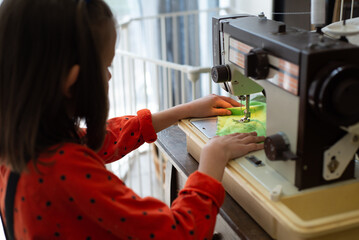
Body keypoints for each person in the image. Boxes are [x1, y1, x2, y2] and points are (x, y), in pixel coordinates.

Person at [0, 0, 265, 239]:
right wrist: (211, 161)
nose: (109, 77)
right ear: (72, 82)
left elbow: (105, 138)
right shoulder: (65, 174)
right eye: (106, 67)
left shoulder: (24, 147)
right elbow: (181, 233)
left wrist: (181, 111)